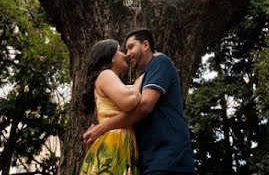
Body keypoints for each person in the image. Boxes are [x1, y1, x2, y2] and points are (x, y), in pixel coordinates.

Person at [83, 28, 196, 174]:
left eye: (131, 47)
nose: (127, 54)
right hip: (149, 159)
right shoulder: (127, 78)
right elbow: (130, 102)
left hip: (169, 157)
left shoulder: (159, 62)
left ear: (145, 45)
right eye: (123, 50)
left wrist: (103, 127)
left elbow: (144, 106)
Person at [80, 38, 141, 175]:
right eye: (119, 50)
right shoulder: (106, 74)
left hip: (118, 140)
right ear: (111, 57)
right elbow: (128, 100)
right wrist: (139, 84)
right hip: (114, 141)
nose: (124, 54)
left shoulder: (109, 79)